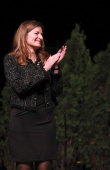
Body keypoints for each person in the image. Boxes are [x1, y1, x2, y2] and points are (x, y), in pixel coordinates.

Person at [3, 20, 67, 170]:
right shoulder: (11, 60)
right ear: (24, 35)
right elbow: (20, 86)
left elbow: (56, 91)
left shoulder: (45, 59)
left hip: (45, 121)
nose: (40, 37)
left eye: (42, 34)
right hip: (22, 121)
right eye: (36, 33)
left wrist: (56, 67)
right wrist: (46, 68)